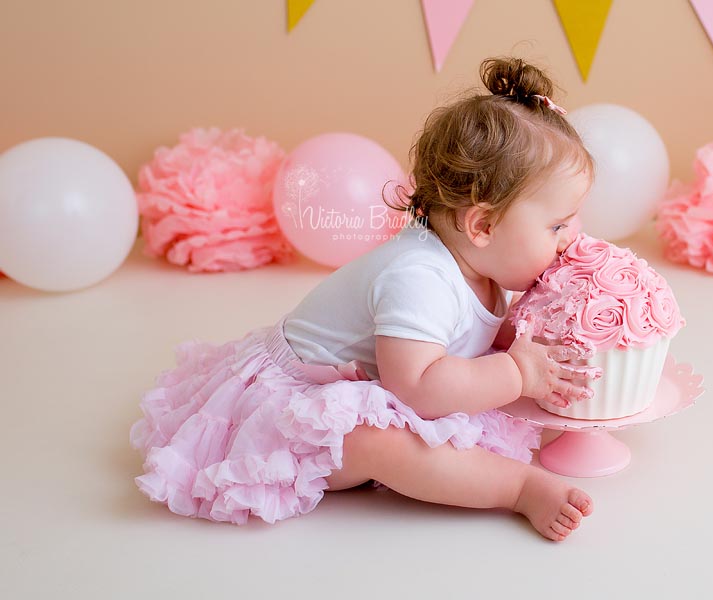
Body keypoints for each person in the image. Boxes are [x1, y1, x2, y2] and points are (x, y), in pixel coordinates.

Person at [129, 56, 599, 542]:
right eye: (557, 225)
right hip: (298, 412)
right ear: (482, 226)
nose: (572, 236)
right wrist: (518, 372)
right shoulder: (420, 278)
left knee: (465, 391)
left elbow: (470, 333)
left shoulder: (482, 263)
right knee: (380, 443)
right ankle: (517, 489)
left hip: (370, 381)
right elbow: (415, 389)